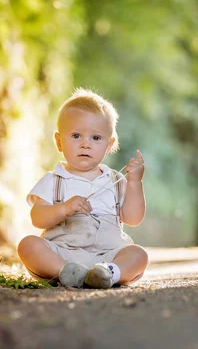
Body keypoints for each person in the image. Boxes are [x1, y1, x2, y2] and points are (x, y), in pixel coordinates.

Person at [17, 88, 148, 289]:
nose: (85, 144)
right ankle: (67, 272)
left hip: (108, 254)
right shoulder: (54, 180)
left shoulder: (116, 180)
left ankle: (108, 273)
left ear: (109, 144)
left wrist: (135, 183)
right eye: (76, 135)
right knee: (28, 245)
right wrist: (64, 208)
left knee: (139, 255)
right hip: (63, 253)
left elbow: (133, 218)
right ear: (59, 142)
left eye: (95, 138)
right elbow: (37, 218)